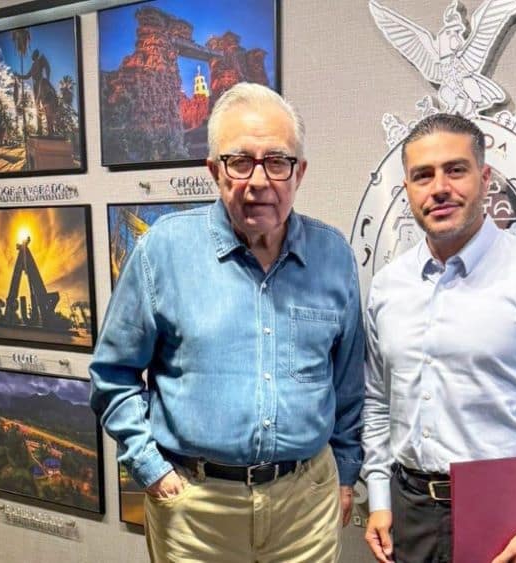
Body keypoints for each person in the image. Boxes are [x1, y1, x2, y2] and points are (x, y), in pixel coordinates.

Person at [90, 83, 364, 563]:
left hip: (306, 509)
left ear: (299, 172)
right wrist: (150, 467)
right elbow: (113, 375)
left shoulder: (333, 255)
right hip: (197, 513)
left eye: (276, 161)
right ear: (214, 170)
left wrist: (344, 474)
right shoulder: (163, 251)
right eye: (240, 162)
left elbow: (348, 385)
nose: (258, 180)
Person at [362, 113, 516, 563]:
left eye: (455, 170)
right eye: (423, 175)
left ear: (485, 178)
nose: (439, 188)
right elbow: (377, 399)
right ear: (407, 188)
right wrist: (378, 496)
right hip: (408, 509)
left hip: (507, 517)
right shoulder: (388, 287)